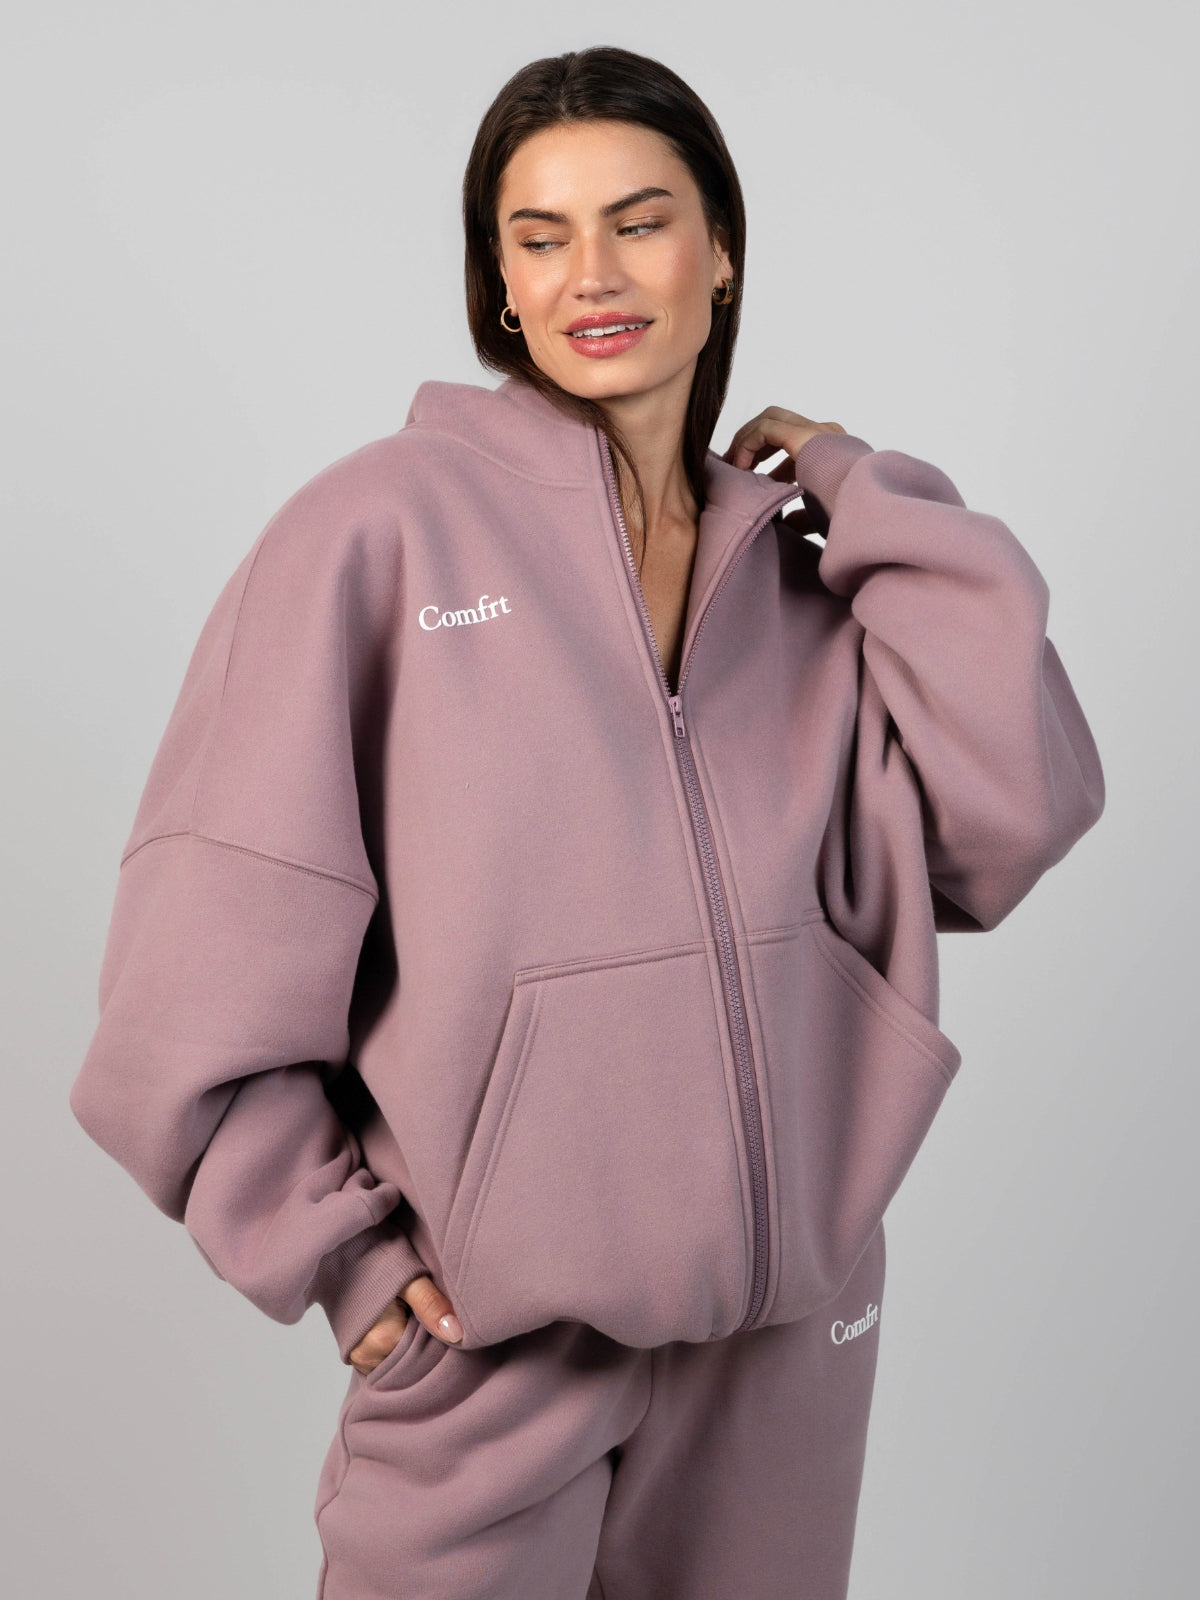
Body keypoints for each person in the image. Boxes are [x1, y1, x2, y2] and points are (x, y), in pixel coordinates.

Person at [69, 44, 1106, 1600]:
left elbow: (1015, 808)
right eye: (541, 236)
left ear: (720, 248)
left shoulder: (804, 579)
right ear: (499, 281)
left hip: (784, 1359)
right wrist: (343, 1260)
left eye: (639, 221)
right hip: (494, 1360)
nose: (593, 275)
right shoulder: (374, 536)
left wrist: (862, 492)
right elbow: (190, 970)